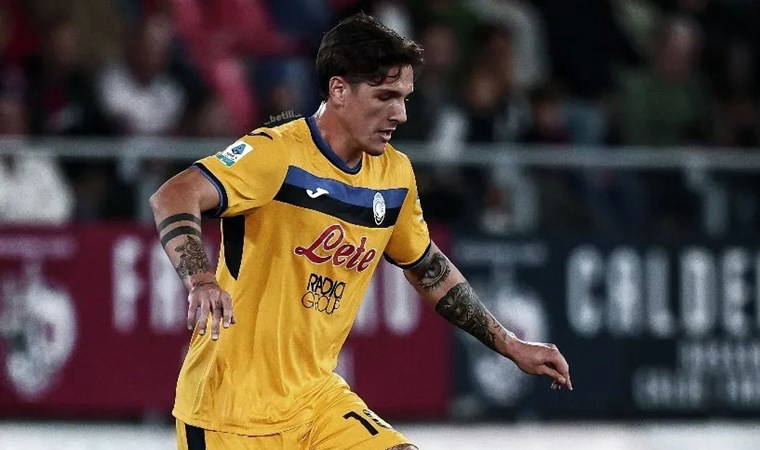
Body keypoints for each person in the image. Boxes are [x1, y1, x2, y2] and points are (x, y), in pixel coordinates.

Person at [150, 13, 572, 450]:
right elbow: (174, 195)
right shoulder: (276, 154)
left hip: (317, 402)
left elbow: (427, 267)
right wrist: (201, 280)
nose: (400, 114)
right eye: (385, 96)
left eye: (404, 98)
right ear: (339, 90)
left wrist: (510, 344)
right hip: (228, 412)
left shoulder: (394, 175)